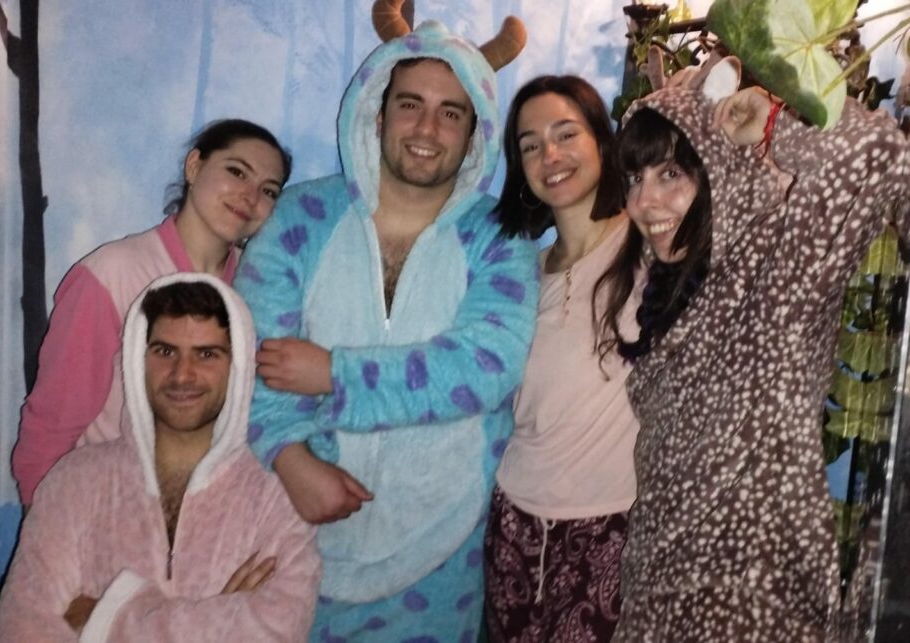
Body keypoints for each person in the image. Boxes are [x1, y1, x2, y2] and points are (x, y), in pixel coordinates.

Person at [232, 4, 537, 641]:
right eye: (410, 104)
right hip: (293, 532)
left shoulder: (499, 237)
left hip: (442, 556)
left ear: (475, 131)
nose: (427, 128)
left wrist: (335, 374)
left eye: (451, 112)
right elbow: (251, 358)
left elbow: (485, 366)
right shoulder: (301, 218)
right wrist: (288, 456)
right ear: (377, 110)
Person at [599, 69, 910, 640]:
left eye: (672, 173)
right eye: (635, 178)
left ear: (719, 167)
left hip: (754, 606)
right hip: (655, 604)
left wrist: (771, 126)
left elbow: (879, 155)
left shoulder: (777, 271)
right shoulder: (667, 293)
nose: (644, 201)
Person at [0, 274, 320, 642]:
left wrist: (106, 617)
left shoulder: (277, 494)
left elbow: (275, 631)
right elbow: (18, 632)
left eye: (206, 354)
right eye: (165, 352)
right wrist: (216, 620)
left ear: (238, 366)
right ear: (137, 359)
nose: (182, 374)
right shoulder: (74, 483)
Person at [11, 119, 291, 505]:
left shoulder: (260, 291)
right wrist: (45, 525)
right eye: (236, 171)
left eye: (269, 190)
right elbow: (53, 423)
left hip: (208, 516)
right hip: (105, 508)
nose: (250, 195)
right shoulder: (112, 274)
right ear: (194, 166)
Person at [482, 75, 638, 642]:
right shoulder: (518, 273)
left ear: (602, 140)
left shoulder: (649, 249)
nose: (550, 155)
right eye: (530, 145)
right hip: (514, 523)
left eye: (566, 134)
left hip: (612, 525)